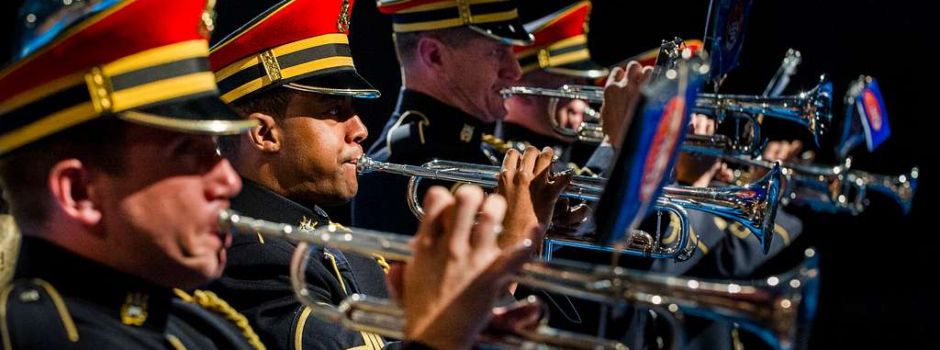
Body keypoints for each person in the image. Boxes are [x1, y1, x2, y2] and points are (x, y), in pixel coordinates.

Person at [352, 0, 535, 235]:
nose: (515, 71)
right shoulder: (401, 169)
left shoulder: (471, 145)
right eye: (498, 52)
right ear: (434, 55)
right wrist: (529, 220)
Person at [499, 1, 609, 170]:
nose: (585, 98)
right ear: (522, 90)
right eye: (571, 82)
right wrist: (612, 142)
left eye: (584, 82)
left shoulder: (573, 155)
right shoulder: (498, 158)